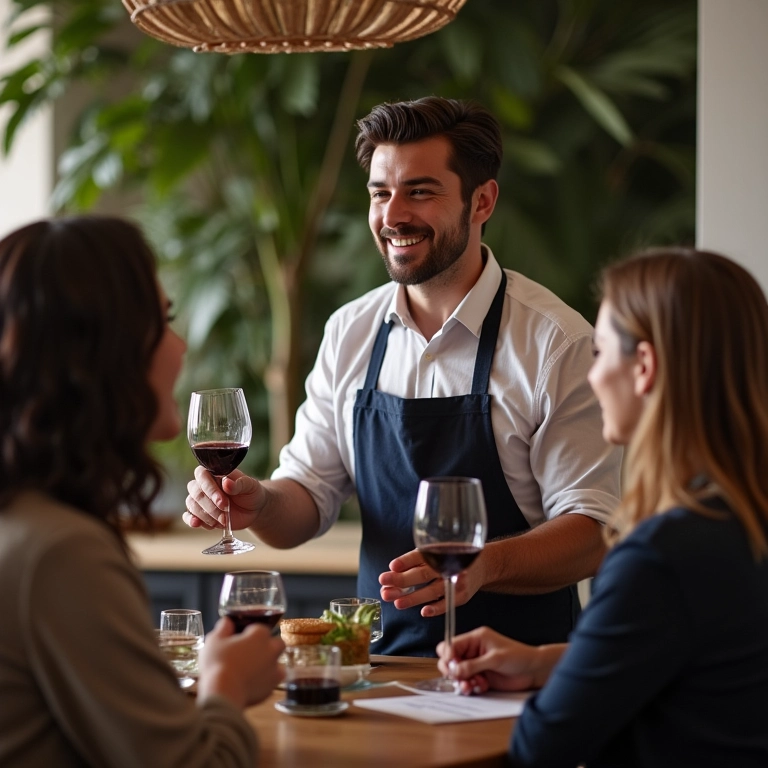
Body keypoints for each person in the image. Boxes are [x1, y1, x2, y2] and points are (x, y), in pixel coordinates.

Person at [184, 96, 622, 656]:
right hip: (377, 672)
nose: (392, 216)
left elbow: (592, 529)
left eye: (420, 191)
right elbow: (307, 497)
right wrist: (259, 504)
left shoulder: (555, 342)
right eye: (380, 193)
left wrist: (481, 566)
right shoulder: (350, 331)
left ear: (482, 200)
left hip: (519, 680)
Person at [437, 247, 768, 767]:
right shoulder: (744, 520)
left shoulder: (661, 557)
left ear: (643, 367)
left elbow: (540, 748)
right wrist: (548, 662)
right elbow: (697, 661)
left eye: (600, 354)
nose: (592, 378)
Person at [0, 216, 285, 768]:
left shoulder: (24, 521)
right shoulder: (61, 554)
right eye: (164, 322)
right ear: (107, 352)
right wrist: (226, 684)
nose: (180, 349)